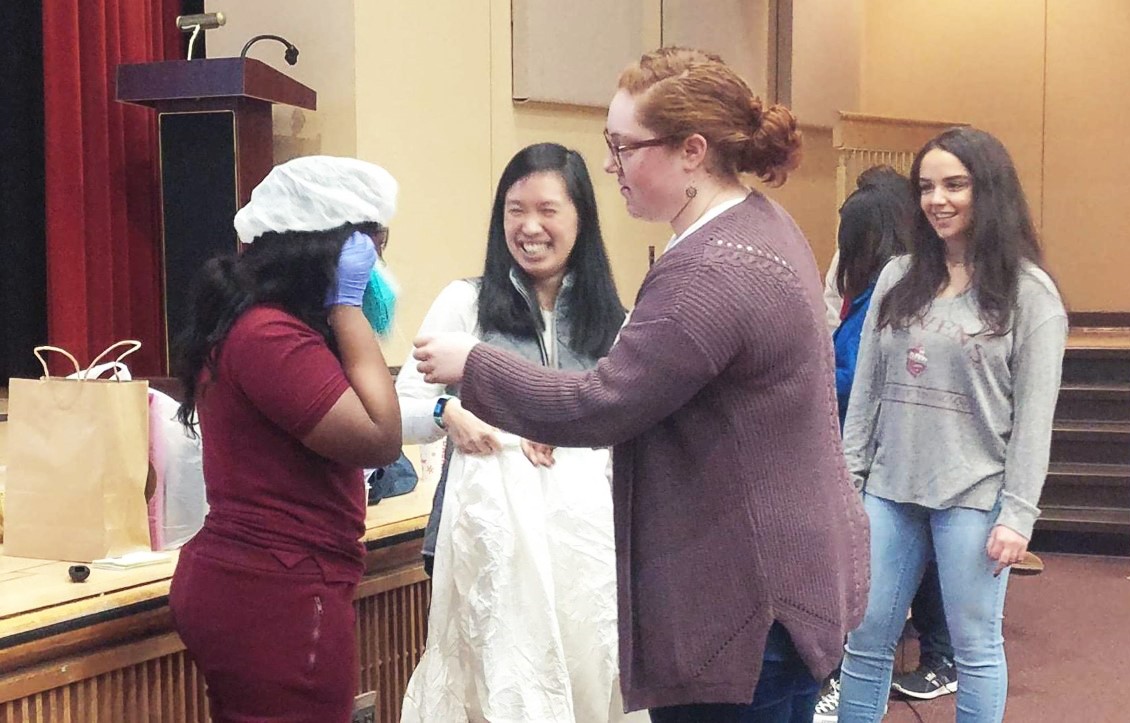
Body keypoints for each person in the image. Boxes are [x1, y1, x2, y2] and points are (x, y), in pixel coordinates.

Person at [413, 47, 869, 723]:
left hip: (745, 606)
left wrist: (472, 365)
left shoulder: (711, 271)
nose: (609, 165)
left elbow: (600, 403)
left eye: (623, 146)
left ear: (691, 150)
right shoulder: (759, 224)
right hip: (782, 579)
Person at [836, 127, 1067, 722]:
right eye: (927, 187)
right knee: (863, 643)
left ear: (988, 191)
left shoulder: (1029, 294)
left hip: (974, 496)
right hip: (890, 490)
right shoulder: (897, 278)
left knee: (976, 649)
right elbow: (866, 394)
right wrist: (848, 481)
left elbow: (1035, 420)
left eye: (954, 185)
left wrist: (1018, 515)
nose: (937, 199)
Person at [397, 142, 632, 722]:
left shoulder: (613, 321)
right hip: (488, 553)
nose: (530, 227)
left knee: (588, 685)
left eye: (548, 210)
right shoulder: (465, 304)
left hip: (585, 559)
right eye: (514, 210)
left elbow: (630, 424)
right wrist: (447, 415)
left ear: (581, 217)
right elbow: (400, 409)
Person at [168, 156, 402, 722]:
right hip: (276, 594)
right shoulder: (270, 335)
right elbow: (379, 437)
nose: (378, 268)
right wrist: (347, 307)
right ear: (334, 251)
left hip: (261, 586)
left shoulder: (261, 325)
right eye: (371, 252)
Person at [809, 167, 917, 723]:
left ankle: (833, 682)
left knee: (857, 589)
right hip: (858, 454)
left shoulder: (887, 293)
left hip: (871, 458)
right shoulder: (868, 289)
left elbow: (856, 377)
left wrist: (807, 370)